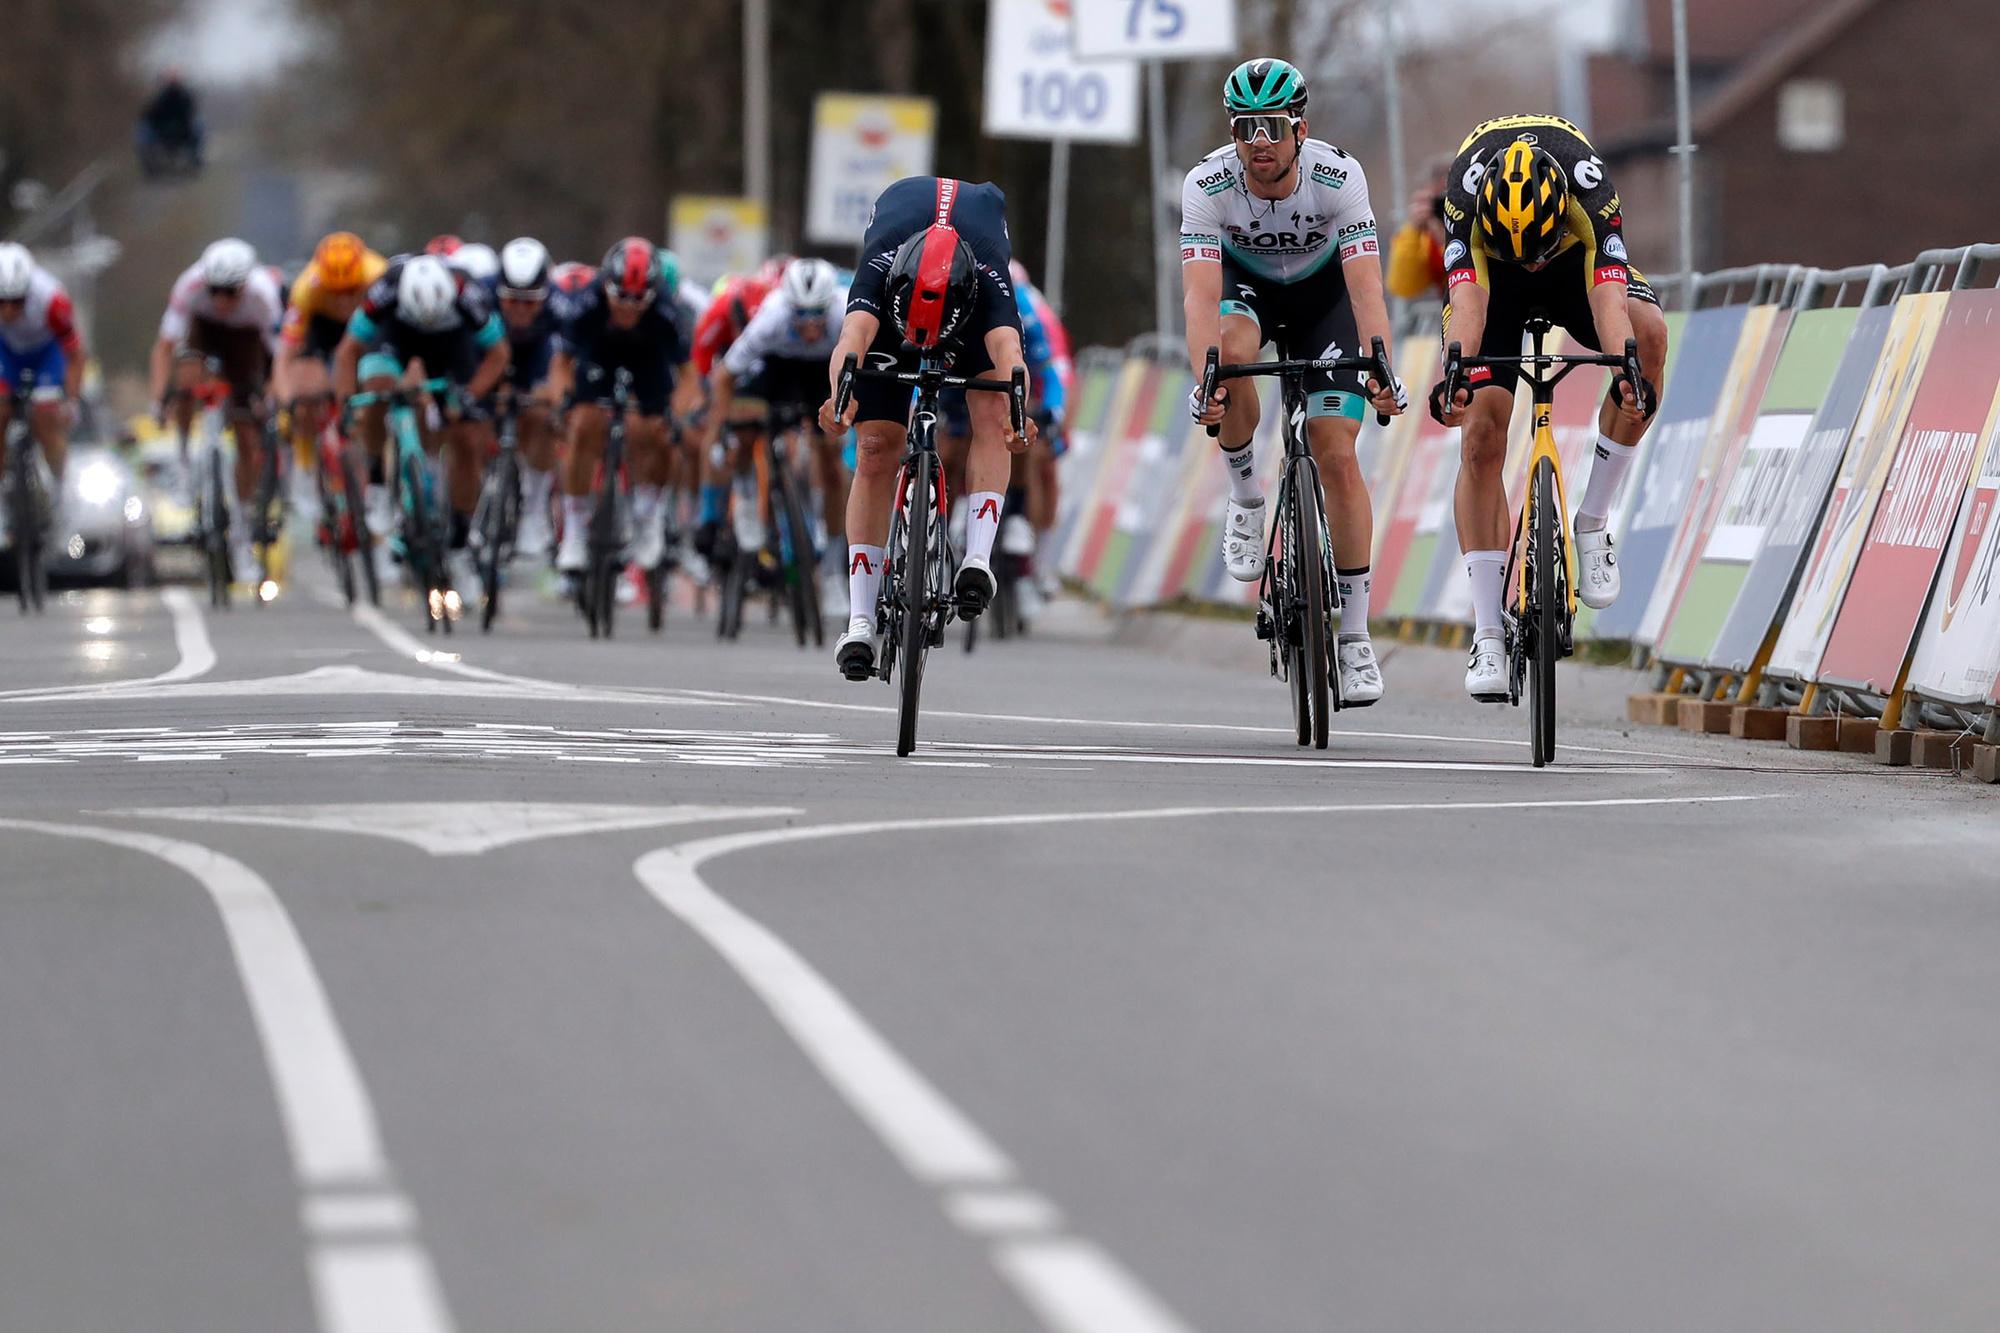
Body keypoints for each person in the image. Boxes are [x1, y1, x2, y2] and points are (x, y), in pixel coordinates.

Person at [1180, 58, 1406, 705]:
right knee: (1230, 355)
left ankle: (1357, 637)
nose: (1258, 141)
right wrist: (1208, 380)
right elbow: (1199, 298)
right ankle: (1249, 499)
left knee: (1336, 452)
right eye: (1245, 127)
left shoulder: (1339, 175)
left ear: (1300, 130)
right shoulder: (1208, 182)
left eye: (1272, 127)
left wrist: (1381, 364)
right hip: (1245, 291)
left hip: (1324, 298)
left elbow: (1366, 286)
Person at [1428, 113, 1668, 701]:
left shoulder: (1589, 185)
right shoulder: (1462, 195)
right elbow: (1468, 303)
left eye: (1535, 247)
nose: (1530, 260)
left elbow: (1609, 300)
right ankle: (1487, 628)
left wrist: (1626, 366)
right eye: (1523, 252)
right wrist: (1455, 369)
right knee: (1482, 432)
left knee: (1650, 338)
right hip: (1493, 284)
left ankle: (1592, 522)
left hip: (1576, 269)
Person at [820, 175, 1038, 678]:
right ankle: (859, 621)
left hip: (964, 312)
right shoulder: (878, 268)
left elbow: (1009, 355)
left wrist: (1017, 412)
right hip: (897, 319)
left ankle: (978, 559)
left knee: (992, 411)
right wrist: (840, 399)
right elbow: (850, 342)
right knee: (875, 449)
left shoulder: (988, 281)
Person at [332, 253, 509, 588]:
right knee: (377, 392)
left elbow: (499, 354)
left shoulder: (467, 293)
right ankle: (377, 481)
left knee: (466, 437)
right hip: (396, 337)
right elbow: (347, 351)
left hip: (453, 344)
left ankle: (459, 539)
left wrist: (470, 394)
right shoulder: (386, 288)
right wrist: (346, 403)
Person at [702, 257, 848, 597]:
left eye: (817, 315)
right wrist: (722, 428)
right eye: (801, 314)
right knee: (744, 424)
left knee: (831, 459)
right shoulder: (772, 318)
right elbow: (725, 376)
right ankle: (748, 495)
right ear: (788, 306)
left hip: (825, 371)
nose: (810, 325)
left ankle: (832, 571)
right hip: (777, 368)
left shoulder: (844, 315)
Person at [150, 238, 287, 581]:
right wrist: (158, 399)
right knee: (185, 378)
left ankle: (241, 531)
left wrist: (272, 394)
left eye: (231, 292)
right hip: (204, 333)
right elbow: (165, 347)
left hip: (247, 343)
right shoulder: (190, 285)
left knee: (248, 436)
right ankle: (184, 459)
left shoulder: (263, 295)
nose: (223, 300)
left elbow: (279, 355)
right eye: (216, 291)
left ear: (245, 284)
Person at [550, 237, 687, 575]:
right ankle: (576, 528)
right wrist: (562, 403)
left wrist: (677, 414)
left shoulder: (668, 313)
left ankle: (648, 514)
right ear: (606, 286)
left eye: (639, 299)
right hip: (600, 356)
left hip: (648, 361)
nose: (628, 307)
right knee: (583, 424)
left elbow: (690, 375)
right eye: (621, 297)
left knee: (653, 430)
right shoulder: (586, 302)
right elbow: (560, 364)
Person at [276, 231, 386, 498]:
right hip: (323, 328)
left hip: (367, 325)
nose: (343, 300)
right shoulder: (306, 288)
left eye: (350, 290)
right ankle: (306, 472)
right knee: (305, 395)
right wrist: (287, 398)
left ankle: (375, 467)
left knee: (374, 384)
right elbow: (285, 355)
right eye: (334, 292)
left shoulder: (379, 275)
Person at [491, 237, 564, 558]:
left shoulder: (561, 305)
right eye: (512, 301)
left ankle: (534, 508)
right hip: (493, 355)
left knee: (541, 415)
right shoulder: (482, 298)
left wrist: (553, 392)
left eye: (530, 302)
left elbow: (565, 361)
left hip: (538, 359)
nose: (520, 309)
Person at [0, 243, 87, 502]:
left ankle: (61, 492)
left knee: (45, 414)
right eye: (1, 301)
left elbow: (75, 354)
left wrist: (71, 399)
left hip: (46, 353)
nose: (8, 311)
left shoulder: (52, 299)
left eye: (17, 302)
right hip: (6, 352)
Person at [1385, 155, 1452, 301]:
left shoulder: (1485, 223)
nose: (1446, 207)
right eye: (1439, 200)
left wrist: (1454, 236)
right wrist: (1413, 229)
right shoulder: (1426, 240)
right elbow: (1402, 286)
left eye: (1450, 197)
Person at [137, 68, 203, 172]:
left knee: (199, 124)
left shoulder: (163, 96)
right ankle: (195, 158)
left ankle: (195, 157)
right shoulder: (182, 96)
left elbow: (150, 113)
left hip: (171, 130)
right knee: (199, 124)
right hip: (174, 130)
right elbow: (190, 112)